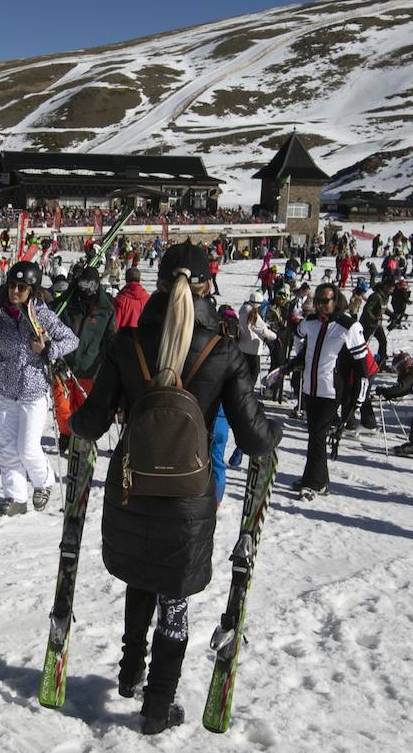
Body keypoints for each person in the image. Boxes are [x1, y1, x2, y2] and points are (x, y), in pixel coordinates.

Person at [70, 242, 279, 735]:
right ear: (208, 285)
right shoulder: (222, 349)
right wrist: (278, 435)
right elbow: (252, 438)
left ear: (159, 284)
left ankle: (130, 671)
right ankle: (158, 704)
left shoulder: (126, 344)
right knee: (174, 593)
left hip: (132, 487)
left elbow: (92, 422)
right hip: (189, 495)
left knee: (141, 573)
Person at [0, 261, 79, 515]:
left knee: (27, 447)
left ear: (32, 290)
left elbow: (71, 339)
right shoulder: (0, 312)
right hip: (5, 387)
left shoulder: (42, 314)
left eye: (21, 288)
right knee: (8, 447)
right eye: (12, 286)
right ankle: (15, 497)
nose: (15, 292)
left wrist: (49, 349)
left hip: (33, 389)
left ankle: (44, 481)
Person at [273, 283, 370, 498]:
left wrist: (357, 403)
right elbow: (299, 335)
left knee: (317, 435)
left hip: (331, 391)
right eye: (318, 301)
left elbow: (363, 370)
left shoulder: (349, 326)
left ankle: (315, 482)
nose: (320, 305)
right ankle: (318, 479)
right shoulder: (311, 322)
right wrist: (294, 362)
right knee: (314, 435)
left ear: (336, 301)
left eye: (325, 301)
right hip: (310, 388)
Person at [52, 266, 117, 456]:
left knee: (82, 405)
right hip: (63, 364)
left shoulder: (106, 310)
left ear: (97, 285)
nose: (86, 288)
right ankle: (65, 433)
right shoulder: (68, 303)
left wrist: (110, 360)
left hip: (89, 367)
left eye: (90, 285)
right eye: (83, 284)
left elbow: (110, 336)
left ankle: (79, 435)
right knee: (62, 404)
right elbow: (52, 318)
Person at [377, 352, 413, 458]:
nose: (397, 372)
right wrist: (388, 394)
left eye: (397, 369)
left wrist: (386, 392)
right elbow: (403, 390)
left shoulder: (410, 377)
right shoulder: (412, 374)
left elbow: (400, 389)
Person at [237, 295, 277, 386]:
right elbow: (264, 331)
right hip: (253, 349)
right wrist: (275, 335)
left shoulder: (243, 309)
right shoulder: (253, 315)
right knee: (253, 373)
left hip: (242, 345)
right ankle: (248, 393)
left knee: (244, 372)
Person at [113, 266, 150, 331]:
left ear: (126, 279)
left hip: (123, 337)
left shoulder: (120, 299)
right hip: (142, 337)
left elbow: (114, 324)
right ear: (139, 279)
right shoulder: (148, 298)